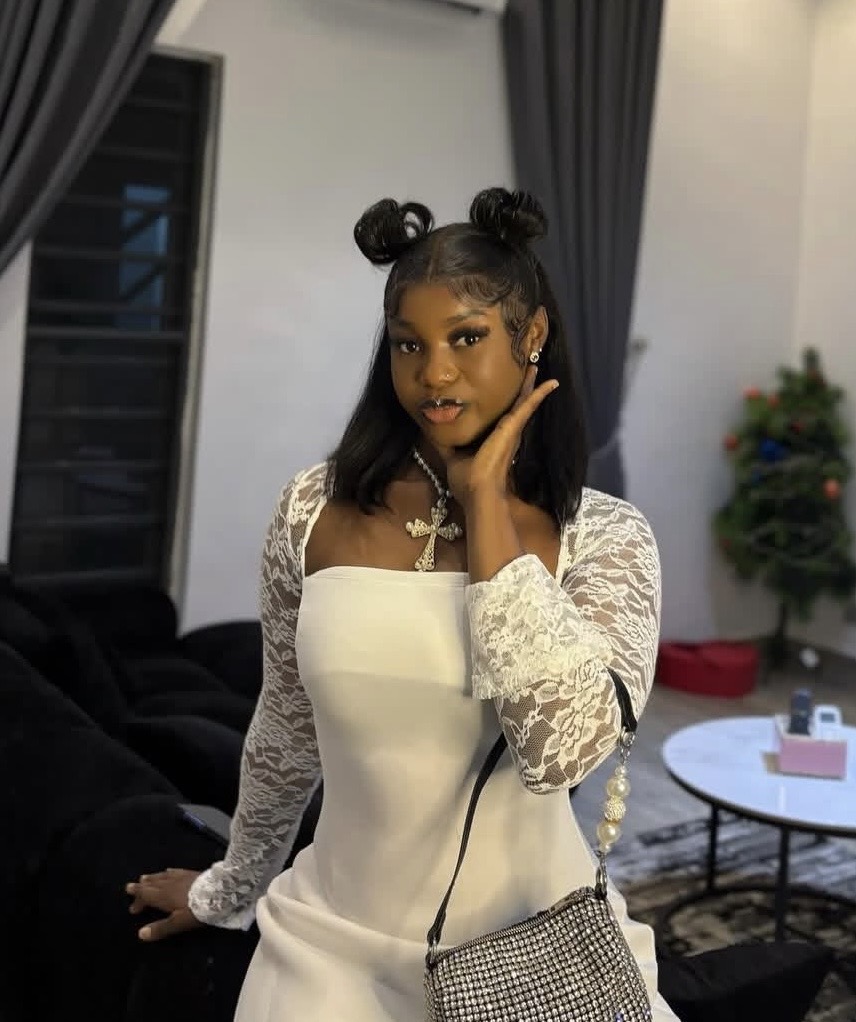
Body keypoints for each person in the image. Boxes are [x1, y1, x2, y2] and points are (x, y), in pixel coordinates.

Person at [126, 187, 678, 1021]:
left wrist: (486, 509)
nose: (435, 373)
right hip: (330, 944)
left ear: (531, 335)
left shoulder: (608, 538)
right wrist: (230, 889)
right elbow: (286, 723)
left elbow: (559, 754)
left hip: (536, 951)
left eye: (467, 337)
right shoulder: (312, 510)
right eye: (407, 344)